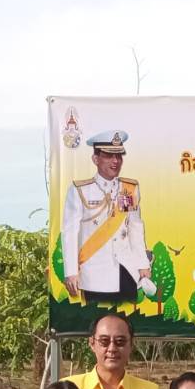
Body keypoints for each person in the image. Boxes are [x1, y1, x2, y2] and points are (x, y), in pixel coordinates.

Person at [60, 130, 153, 304]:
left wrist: (142, 264)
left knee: (129, 325)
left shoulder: (128, 188)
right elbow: (70, 233)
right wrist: (71, 272)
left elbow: (135, 227)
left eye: (119, 156)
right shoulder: (80, 190)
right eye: (109, 156)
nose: (115, 161)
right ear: (95, 159)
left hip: (126, 271)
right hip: (94, 275)